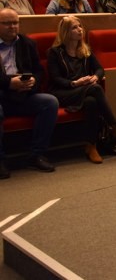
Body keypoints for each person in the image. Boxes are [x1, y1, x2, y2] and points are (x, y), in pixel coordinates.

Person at [47, 16, 116, 164]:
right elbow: (56, 78)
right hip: (63, 92)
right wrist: (75, 83)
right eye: (75, 27)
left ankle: (91, 145)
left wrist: (95, 77)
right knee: (95, 90)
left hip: (85, 90)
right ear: (65, 32)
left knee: (91, 102)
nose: (80, 30)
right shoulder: (55, 52)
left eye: (80, 26)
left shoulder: (85, 50)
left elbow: (99, 69)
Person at [0, 9, 59, 177]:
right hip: (2, 94)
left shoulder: (27, 43)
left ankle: (36, 154)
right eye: (6, 23)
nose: (12, 26)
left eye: (15, 23)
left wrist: (32, 81)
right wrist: (9, 83)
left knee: (49, 102)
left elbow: (39, 72)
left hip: (23, 94)